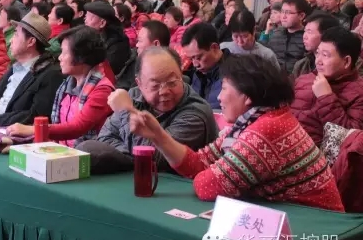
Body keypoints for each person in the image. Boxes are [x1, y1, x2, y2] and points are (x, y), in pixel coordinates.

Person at [119, 54, 343, 211]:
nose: (218, 97)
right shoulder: (252, 122)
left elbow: (206, 186)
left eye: (224, 88)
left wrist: (216, 172)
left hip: (314, 227)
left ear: (247, 96)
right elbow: (198, 163)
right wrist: (157, 135)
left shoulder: (267, 130)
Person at [77, 47, 217, 174]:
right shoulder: (134, 95)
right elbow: (105, 137)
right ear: (140, 84)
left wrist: (126, 111)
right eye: (155, 85)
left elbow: (154, 158)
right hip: (136, 177)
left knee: (89, 149)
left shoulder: (195, 112)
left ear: (181, 75)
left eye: (172, 82)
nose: (164, 91)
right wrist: (131, 157)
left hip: (176, 186)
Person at [6, 26, 115, 144]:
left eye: (64, 52)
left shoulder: (102, 90)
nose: (59, 57)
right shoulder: (67, 84)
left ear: (81, 57)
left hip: (86, 153)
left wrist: (32, 129)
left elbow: (78, 127)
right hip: (61, 149)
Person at [0, 13, 63, 127]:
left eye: (16, 35)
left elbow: (36, 115)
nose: (11, 40)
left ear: (31, 42)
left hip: (12, 133)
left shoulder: (50, 74)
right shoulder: (14, 67)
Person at [291, 27, 363, 145]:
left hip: (320, 154)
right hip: (288, 145)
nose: (318, 61)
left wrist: (326, 97)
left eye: (325, 55)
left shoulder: (359, 92)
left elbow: (351, 139)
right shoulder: (303, 79)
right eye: (317, 53)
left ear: (346, 61)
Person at [181, 23, 229, 109]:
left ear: (214, 47)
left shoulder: (236, 74)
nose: (195, 64)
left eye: (198, 57)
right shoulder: (198, 73)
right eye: (191, 59)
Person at [260, 0, 308, 74]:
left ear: (301, 16)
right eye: (282, 12)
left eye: (288, 13)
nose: (284, 16)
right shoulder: (276, 33)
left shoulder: (306, 37)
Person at [116, 20, 170, 90]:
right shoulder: (136, 59)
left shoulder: (160, 77)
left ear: (156, 44)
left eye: (140, 41)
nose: (137, 45)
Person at [84, 0, 131, 75]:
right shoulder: (90, 36)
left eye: (90, 18)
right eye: (86, 17)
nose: (85, 21)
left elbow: (108, 71)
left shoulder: (118, 42)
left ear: (102, 23)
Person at [292, 13, 340, 78]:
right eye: (305, 31)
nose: (304, 37)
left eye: (309, 32)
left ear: (326, 34)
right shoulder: (301, 65)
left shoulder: (337, 66)